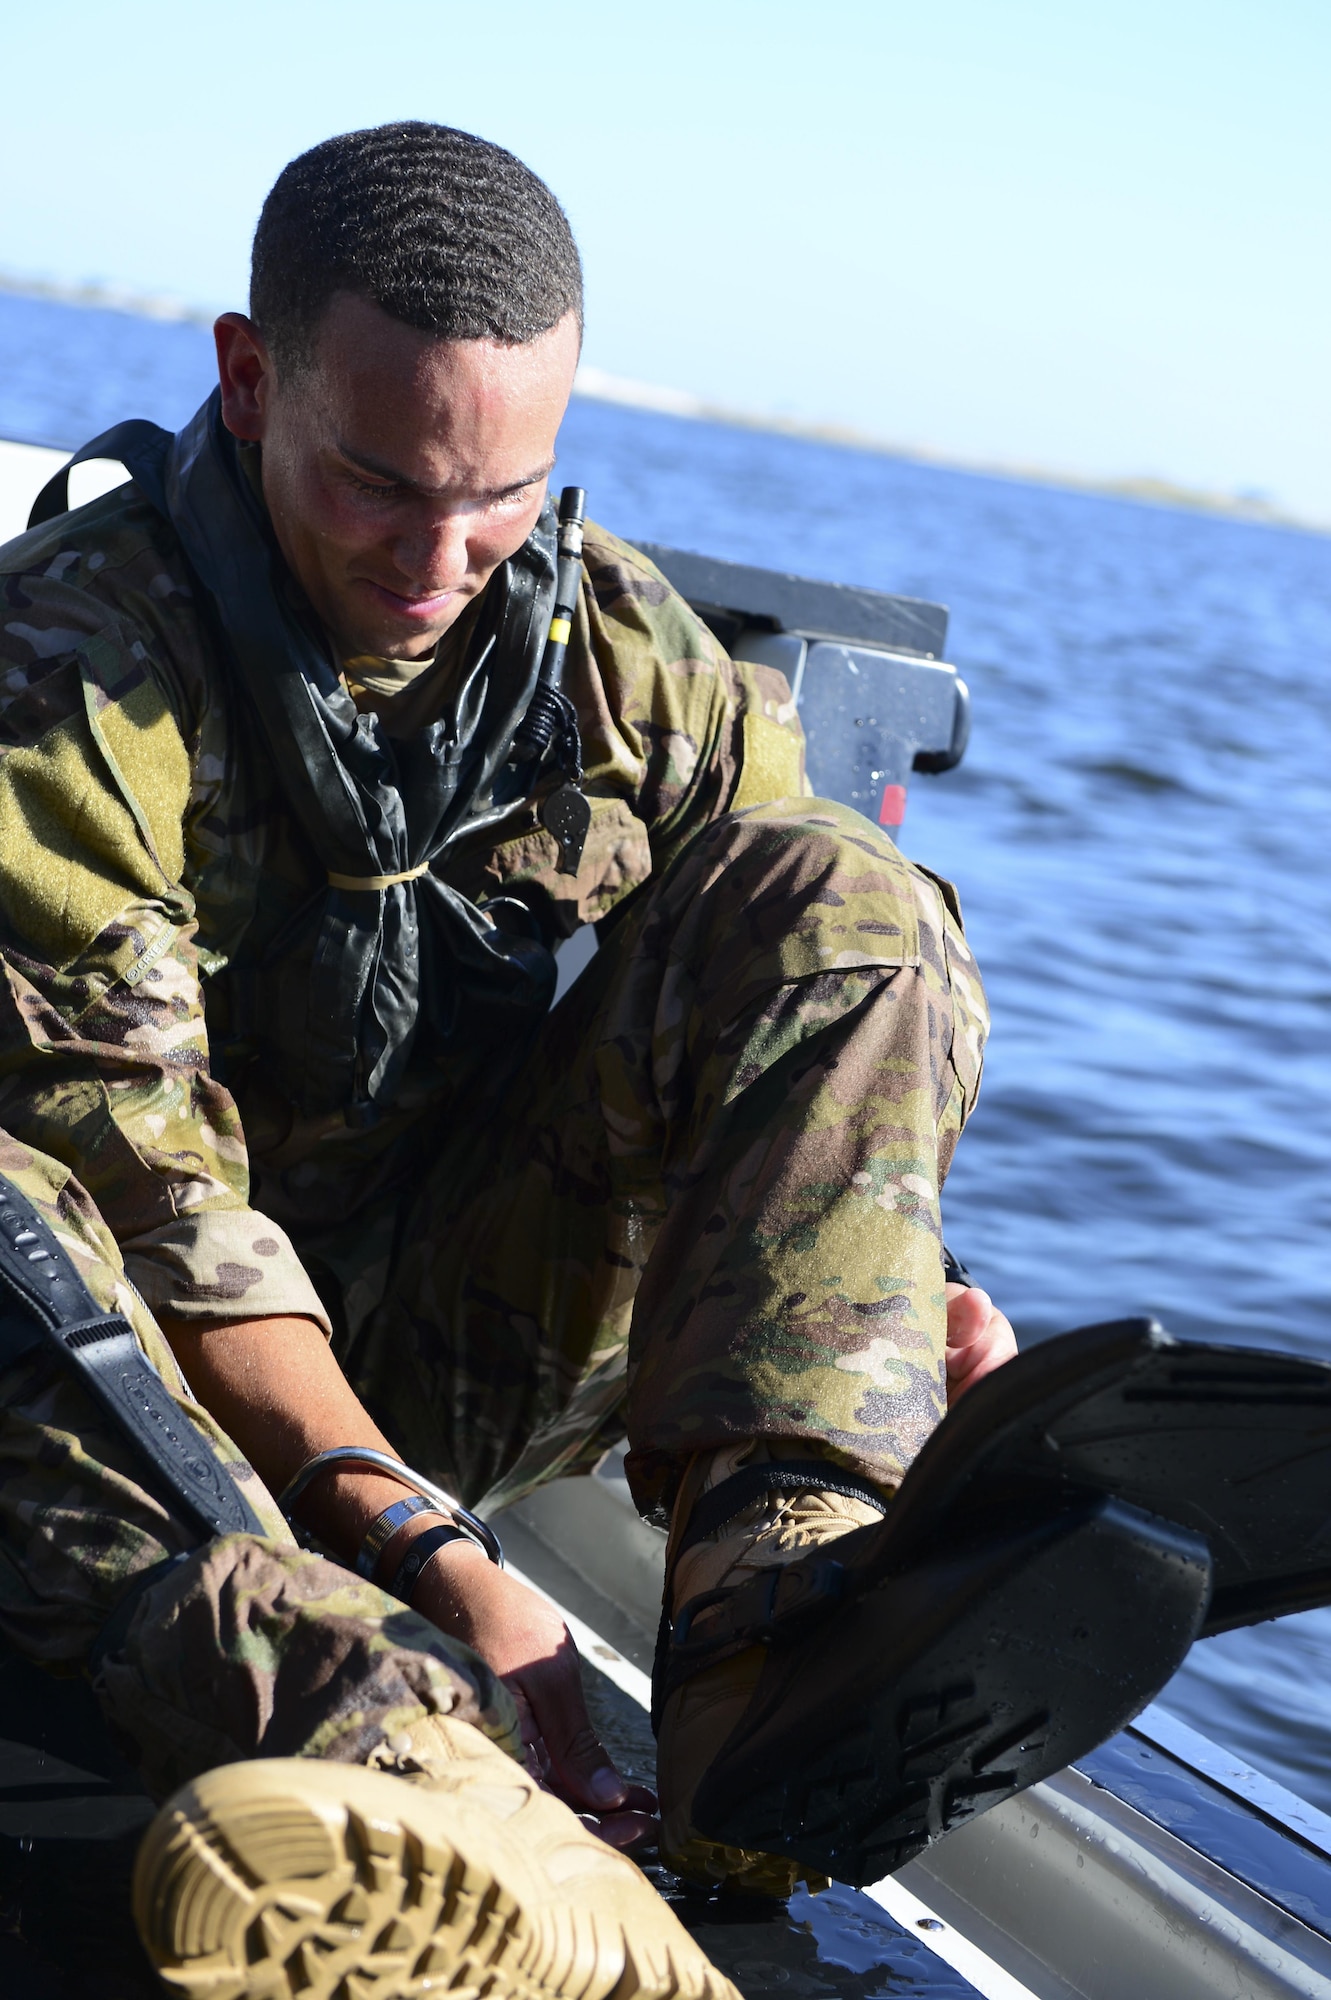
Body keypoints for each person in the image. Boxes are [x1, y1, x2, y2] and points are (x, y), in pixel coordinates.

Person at [0, 122, 1013, 1997]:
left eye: (507, 498)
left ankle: (767, 1648)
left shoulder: (609, 643)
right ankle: (397, 1762)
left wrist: (904, 1310)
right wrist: (445, 1565)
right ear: (246, 375)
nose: (448, 556)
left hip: (459, 1332)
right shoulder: (70, 674)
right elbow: (146, 1208)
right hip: (146, 1393)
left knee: (842, 887)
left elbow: (811, 1009)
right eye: (383, 487)